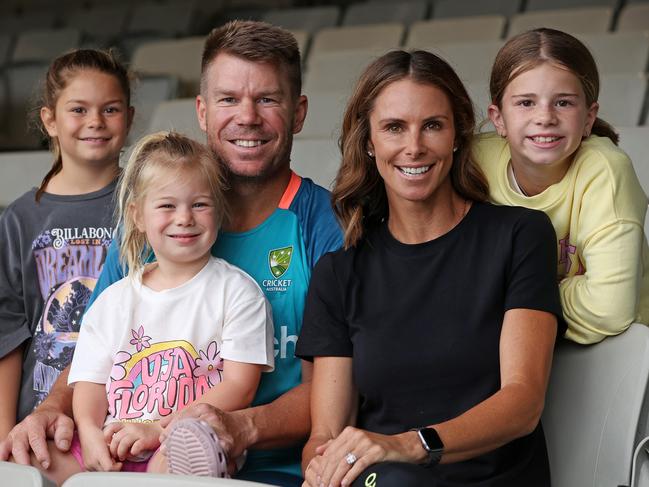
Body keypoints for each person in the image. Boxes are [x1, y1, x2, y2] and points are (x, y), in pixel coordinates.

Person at [0, 21, 342, 487]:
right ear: (201, 110)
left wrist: (239, 427)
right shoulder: (150, 231)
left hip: (267, 470)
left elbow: (332, 388)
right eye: (227, 99)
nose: (247, 117)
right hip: (122, 449)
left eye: (267, 99)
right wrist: (53, 411)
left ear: (298, 112)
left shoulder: (326, 227)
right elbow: (98, 351)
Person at [296, 50, 563, 487]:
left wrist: (408, 444)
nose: (414, 146)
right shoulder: (339, 274)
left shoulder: (519, 236)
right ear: (369, 141)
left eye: (433, 126)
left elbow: (523, 402)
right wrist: (323, 465)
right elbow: (325, 433)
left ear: (457, 134)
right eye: (394, 127)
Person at [28, 131, 274, 485]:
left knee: (184, 459)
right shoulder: (113, 300)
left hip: (182, 440)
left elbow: (240, 385)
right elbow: (90, 383)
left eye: (200, 204)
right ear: (138, 216)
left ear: (219, 212)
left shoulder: (236, 292)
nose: (185, 217)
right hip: (114, 439)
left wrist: (157, 430)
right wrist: (89, 432)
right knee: (34, 459)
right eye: (167, 205)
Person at [477, 28, 649, 344]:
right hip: (512, 346)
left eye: (564, 103)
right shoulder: (475, 163)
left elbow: (608, 309)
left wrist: (510, 300)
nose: (545, 117)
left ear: (588, 117)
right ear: (498, 118)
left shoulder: (606, 171)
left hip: (618, 349)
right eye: (526, 102)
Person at [0, 49, 133, 444]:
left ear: (128, 116)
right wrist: (5, 436)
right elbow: (8, 338)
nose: (95, 122)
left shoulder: (150, 204)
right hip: (36, 424)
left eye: (110, 109)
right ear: (50, 120)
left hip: (123, 420)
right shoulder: (21, 218)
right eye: (79, 109)